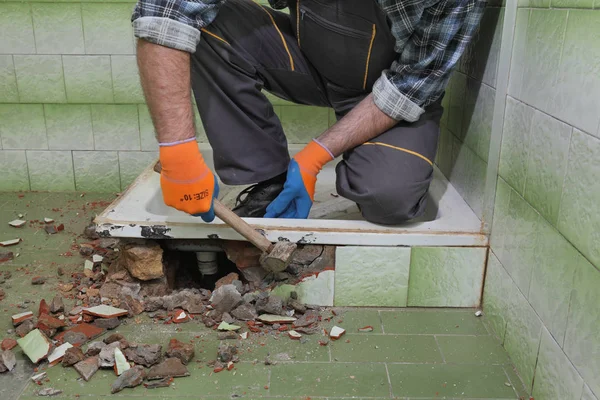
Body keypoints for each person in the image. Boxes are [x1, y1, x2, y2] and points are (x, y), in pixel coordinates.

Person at [132, 0, 485, 225]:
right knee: (209, 25)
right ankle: (268, 182)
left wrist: (315, 156)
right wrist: (177, 151)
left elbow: (414, 84)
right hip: (311, 63)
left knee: (389, 200)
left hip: (391, 91)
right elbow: (166, 11)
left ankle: (364, 157)